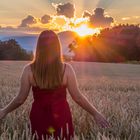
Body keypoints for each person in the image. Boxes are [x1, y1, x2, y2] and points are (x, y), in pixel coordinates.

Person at [0, 30, 109, 140]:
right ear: (57, 47)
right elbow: (78, 97)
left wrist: (4, 111)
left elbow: (20, 99)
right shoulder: (67, 69)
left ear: (39, 47)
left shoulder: (29, 70)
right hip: (61, 115)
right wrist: (95, 113)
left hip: (39, 116)